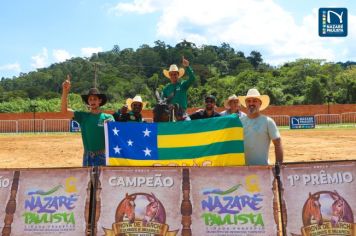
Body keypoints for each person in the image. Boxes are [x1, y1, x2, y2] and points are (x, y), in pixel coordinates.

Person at [61, 75, 114, 166]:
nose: (92, 101)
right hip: (87, 156)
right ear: (88, 102)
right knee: (87, 180)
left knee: (103, 180)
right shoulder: (83, 116)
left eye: (95, 99)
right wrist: (65, 91)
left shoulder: (108, 118)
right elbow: (64, 111)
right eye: (90, 99)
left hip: (103, 156)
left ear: (100, 101)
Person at [238, 88, 283, 165]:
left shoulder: (268, 121)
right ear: (245, 104)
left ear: (260, 103)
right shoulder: (239, 122)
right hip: (243, 169)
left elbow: (278, 144)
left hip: (263, 168)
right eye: (248, 101)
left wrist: (278, 167)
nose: (251, 103)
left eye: (254, 101)